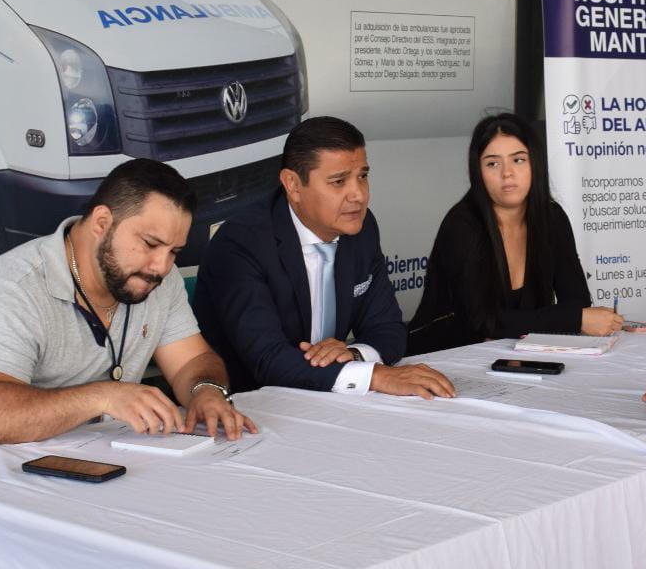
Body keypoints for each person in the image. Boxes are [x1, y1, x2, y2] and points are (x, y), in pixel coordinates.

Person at [0, 158, 256, 569]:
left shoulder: (155, 280)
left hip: (89, 467)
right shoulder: (10, 286)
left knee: (218, 512)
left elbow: (193, 361)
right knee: (13, 550)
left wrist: (207, 391)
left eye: (173, 252)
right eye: (150, 244)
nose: (162, 267)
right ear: (102, 222)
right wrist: (102, 397)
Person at [194, 116, 455, 398]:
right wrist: (374, 376)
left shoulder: (361, 228)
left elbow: (388, 328)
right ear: (293, 185)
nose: (358, 195)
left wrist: (354, 355)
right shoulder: (242, 242)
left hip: (325, 399)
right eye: (339, 181)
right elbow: (268, 360)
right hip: (247, 403)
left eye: (363, 176)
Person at [407, 113, 620, 354]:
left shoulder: (552, 217)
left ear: (535, 163)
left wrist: (572, 317)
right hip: (444, 356)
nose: (507, 173)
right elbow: (481, 322)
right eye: (493, 163)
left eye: (518, 160)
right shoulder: (462, 225)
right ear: (478, 172)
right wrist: (571, 319)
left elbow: (577, 300)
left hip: (518, 355)